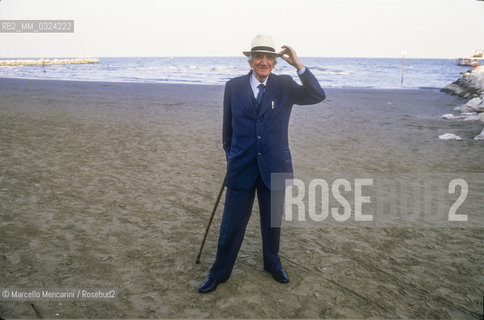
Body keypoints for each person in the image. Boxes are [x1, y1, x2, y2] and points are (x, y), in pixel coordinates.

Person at [199, 34, 326, 293]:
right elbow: (228, 132)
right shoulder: (233, 87)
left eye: (269, 57)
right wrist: (232, 158)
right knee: (231, 224)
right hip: (241, 168)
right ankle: (219, 272)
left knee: (272, 223)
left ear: (275, 62)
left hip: (274, 166)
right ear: (250, 60)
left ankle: (272, 264)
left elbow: (317, 95)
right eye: (259, 57)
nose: (264, 62)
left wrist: (298, 65)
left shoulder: (285, 85)